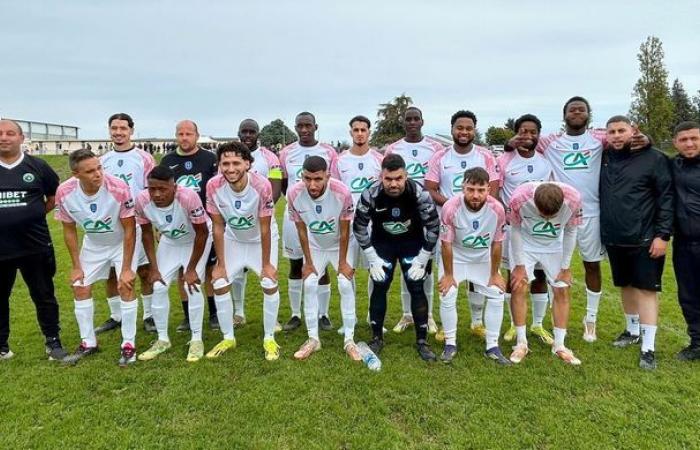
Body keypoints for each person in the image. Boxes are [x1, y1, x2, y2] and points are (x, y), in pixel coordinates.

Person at [513, 98, 647, 342]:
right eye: (571, 109)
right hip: (556, 213)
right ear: (564, 115)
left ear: (588, 114)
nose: (576, 112)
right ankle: (544, 321)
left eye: (581, 109)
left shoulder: (600, 137)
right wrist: (509, 142)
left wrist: (643, 138)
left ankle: (590, 320)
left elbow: (627, 138)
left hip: (592, 213)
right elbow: (526, 142)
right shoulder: (550, 141)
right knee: (548, 268)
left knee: (591, 265)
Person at [600, 115, 673, 370]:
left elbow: (666, 198)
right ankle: (632, 331)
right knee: (626, 285)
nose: (617, 135)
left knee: (646, 289)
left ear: (634, 130)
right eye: (612, 132)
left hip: (645, 237)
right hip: (614, 236)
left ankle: (649, 346)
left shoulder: (654, 158)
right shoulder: (605, 156)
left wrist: (663, 235)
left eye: (622, 130)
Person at [55, 149, 139, 366]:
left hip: (122, 242)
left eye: (99, 168)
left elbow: (130, 229)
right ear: (76, 174)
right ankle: (88, 343)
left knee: (125, 286)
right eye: (90, 171)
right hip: (93, 245)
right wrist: (75, 265)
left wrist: (127, 267)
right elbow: (69, 229)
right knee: (79, 285)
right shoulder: (64, 192)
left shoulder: (118, 188)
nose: (98, 174)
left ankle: (129, 344)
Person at [354, 153, 440, 361]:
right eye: (388, 179)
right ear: (381, 176)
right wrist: (371, 256)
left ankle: (422, 341)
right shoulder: (370, 193)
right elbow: (359, 226)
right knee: (380, 285)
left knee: (416, 287)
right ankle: (376, 338)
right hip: (383, 245)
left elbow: (434, 226)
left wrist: (424, 257)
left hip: (413, 245)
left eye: (398, 179)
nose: (393, 184)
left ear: (406, 176)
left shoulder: (419, 193)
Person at [424, 110, 499, 341]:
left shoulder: (485, 156)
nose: (464, 132)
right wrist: (456, 207)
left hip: (479, 225)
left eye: (468, 128)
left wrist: (475, 207)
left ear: (474, 130)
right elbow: (430, 187)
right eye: (460, 127)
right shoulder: (440, 156)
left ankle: (477, 322)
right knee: (447, 273)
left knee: (478, 272)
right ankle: (446, 326)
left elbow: (493, 187)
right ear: (452, 129)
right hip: (449, 223)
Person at [0, 119, 68, 361]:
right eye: (0, 134)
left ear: (21, 138)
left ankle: (53, 342)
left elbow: (54, 196)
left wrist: (34, 214)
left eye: (10, 133)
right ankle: (2, 347)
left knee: (44, 295)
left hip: (34, 245)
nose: (4, 137)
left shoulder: (37, 166)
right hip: (1, 249)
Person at [207, 142, 281, 361]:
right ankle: (228, 337)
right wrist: (220, 264)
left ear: (248, 163)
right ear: (219, 165)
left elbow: (266, 227)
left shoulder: (262, 185)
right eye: (225, 164)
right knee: (219, 283)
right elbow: (218, 226)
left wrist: (267, 265)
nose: (230, 169)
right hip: (234, 240)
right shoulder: (213, 186)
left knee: (269, 282)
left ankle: (269, 338)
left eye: (236, 163)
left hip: (261, 240)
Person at [135, 166, 211, 362]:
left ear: (174, 187)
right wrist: (153, 268)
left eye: (163, 189)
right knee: (158, 286)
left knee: (191, 285)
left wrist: (192, 268)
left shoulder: (188, 197)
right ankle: (162, 339)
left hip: (195, 240)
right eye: (152, 189)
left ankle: (196, 339)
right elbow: (146, 233)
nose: (157, 194)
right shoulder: (142, 200)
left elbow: (202, 233)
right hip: (170, 241)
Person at [287, 156, 358, 360]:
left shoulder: (342, 192)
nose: (312, 184)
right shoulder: (294, 193)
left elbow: (345, 231)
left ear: (328, 175)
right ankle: (313, 339)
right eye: (307, 178)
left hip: (340, 245)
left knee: (345, 284)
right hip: (316, 245)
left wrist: (343, 263)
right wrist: (308, 262)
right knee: (309, 283)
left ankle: (349, 340)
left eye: (317, 179)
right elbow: (301, 231)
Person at [438, 168, 510, 365]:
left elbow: (497, 243)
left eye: (481, 190)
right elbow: (446, 243)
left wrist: (495, 274)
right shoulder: (450, 207)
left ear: (489, 188)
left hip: (482, 259)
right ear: (463, 187)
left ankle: (492, 346)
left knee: (497, 292)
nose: (475, 195)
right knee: (448, 293)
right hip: (456, 258)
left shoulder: (497, 209)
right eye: (470, 189)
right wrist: (449, 274)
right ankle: (450, 344)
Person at [508, 181, 582, 365]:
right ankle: (521, 343)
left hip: (554, 246)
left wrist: (565, 268)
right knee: (519, 286)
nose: (548, 219)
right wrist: (519, 265)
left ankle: (559, 345)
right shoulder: (519, 198)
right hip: (525, 244)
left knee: (562, 289)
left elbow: (571, 232)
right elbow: (514, 230)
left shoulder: (574, 199)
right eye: (543, 215)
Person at [385, 107, 444, 335]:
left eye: (415, 119)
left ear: (422, 121)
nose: (412, 122)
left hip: (426, 213)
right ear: (403, 123)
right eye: (408, 119)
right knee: (404, 263)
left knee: (425, 265)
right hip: (401, 213)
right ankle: (407, 314)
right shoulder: (393, 149)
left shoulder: (435, 148)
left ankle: (427, 315)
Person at [498, 114, 554, 345]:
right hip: (515, 229)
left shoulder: (545, 161)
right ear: (516, 132)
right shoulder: (504, 160)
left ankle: (538, 325)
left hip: (539, 229)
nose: (528, 136)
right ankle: (514, 324)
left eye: (532, 132)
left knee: (539, 275)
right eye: (523, 131)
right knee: (515, 276)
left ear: (538, 134)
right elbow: (496, 192)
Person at [278, 112, 338, 332]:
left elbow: (333, 183)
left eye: (308, 125)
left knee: (321, 265)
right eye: (300, 126)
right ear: (295, 128)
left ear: (315, 126)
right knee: (295, 264)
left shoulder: (329, 152)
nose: (304, 130)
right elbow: (284, 183)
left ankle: (323, 314)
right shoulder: (286, 153)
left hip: (322, 217)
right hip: (295, 214)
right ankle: (295, 314)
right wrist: (298, 202)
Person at [98, 113, 156, 334]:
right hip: (111, 224)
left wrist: (152, 221)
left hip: (138, 221)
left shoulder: (144, 158)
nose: (118, 132)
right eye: (114, 128)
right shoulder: (102, 161)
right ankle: (116, 315)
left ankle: (149, 315)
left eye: (123, 128)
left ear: (131, 130)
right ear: (109, 130)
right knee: (112, 272)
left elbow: (152, 191)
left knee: (143, 270)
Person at [160, 120, 219, 333]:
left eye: (188, 134)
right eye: (180, 134)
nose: (184, 138)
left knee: (210, 269)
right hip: (178, 223)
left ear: (197, 135)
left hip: (205, 222)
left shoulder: (210, 158)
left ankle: (213, 313)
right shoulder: (168, 160)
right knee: (181, 271)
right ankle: (187, 316)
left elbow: (215, 190)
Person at [331, 115, 383, 328]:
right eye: (356, 130)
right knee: (347, 271)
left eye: (363, 129)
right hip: (347, 223)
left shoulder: (379, 159)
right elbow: (333, 192)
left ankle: (373, 316)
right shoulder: (339, 160)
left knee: (376, 270)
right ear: (350, 132)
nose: (360, 133)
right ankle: (348, 320)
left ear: (369, 132)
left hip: (373, 223)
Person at [233, 119, 283, 328]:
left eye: (251, 131)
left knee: (268, 270)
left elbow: (277, 188)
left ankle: (273, 318)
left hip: (262, 222)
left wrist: (261, 210)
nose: (247, 135)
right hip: (237, 224)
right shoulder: (231, 157)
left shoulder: (270, 158)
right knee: (236, 272)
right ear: (238, 133)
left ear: (258, 134)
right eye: (244, 131)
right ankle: (238, 313)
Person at [670, 121, 700, 361]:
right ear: (675, 143)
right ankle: (697, 342)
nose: (689, 143)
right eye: (684, 139)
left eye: (694, 138)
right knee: (688, 295)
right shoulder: (674, 166)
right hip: (683, 242)